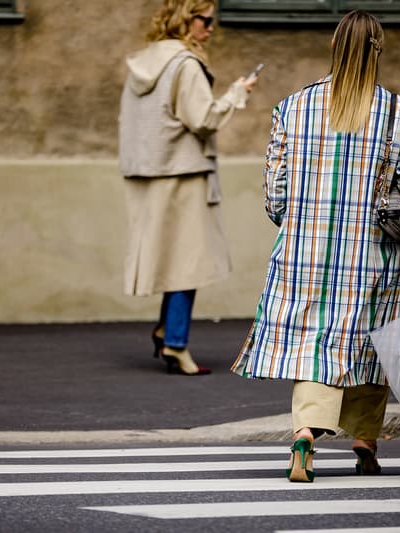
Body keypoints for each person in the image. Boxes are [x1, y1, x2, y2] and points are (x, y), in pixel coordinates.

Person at [231, 10, 400, 481]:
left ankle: (305, 435)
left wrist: (296, 223)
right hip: (374, 255)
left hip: (305, 251)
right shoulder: (397, 112)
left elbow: (275, 190)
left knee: (315, 343)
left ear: (333, 47)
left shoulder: (292, 107)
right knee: (372, 344)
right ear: (379, 53)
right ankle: (366, 444)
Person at [119, 0, 257, 376]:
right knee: (188, 262)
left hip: (149, 172)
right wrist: (236, 94)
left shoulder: (145, 62)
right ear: (186, 20)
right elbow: (203, 119)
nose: (211, 28)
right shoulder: (185, 64)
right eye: (205, 20)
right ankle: (176, 344)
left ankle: (167, 331)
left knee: (173, 257)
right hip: (184, 174)